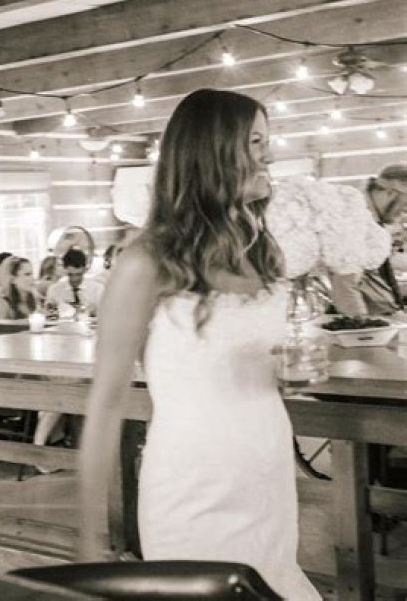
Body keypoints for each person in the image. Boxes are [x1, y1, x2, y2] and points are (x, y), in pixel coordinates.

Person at [78, 88, 319, 599]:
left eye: (267, 140)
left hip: (268, 472)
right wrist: (91, 536)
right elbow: (105, 402)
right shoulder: (146, 261)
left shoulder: (260, 250)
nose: (270, 154)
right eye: (256, 141)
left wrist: (288, 367)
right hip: (194, 485)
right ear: (212, 151)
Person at [330, 163, 407, 317]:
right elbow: (345, 286)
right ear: (390, 191)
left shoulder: (370, 220)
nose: (405, 212)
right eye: (406, 204)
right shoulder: (353, 218)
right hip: (366, 324)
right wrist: (363, 324)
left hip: (383, 316)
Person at [45, 248, 104, 318]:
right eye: (71, 275)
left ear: (85, 269)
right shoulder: (54, 290)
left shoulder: (97, 289)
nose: (75, 279)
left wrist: (94, 312)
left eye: (78, 274)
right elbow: (48, 315)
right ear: (65, 269)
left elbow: (106, 315)